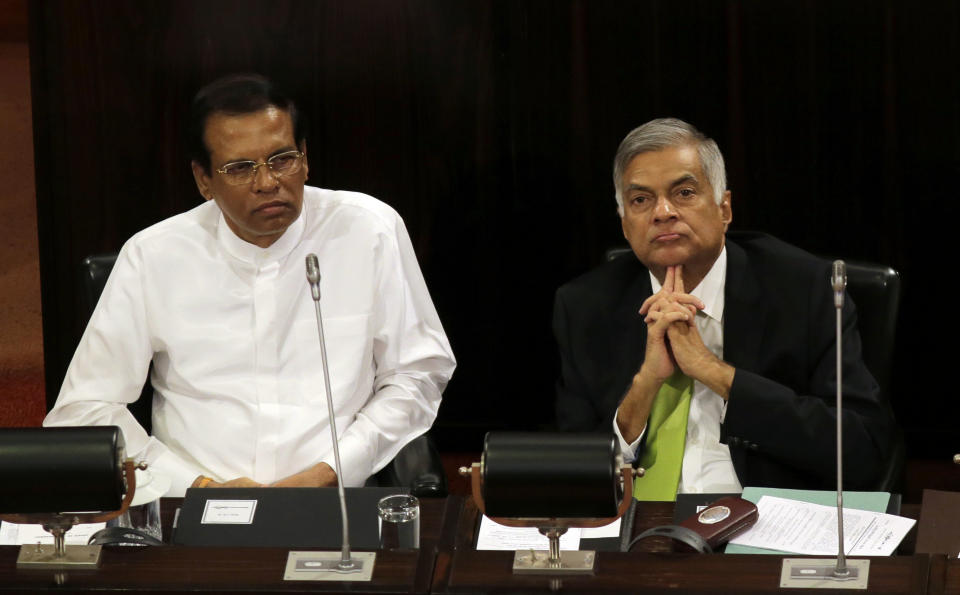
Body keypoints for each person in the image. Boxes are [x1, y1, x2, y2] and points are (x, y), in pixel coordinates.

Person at [45, 74, 456, 496]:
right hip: (193, 504)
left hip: (337, 500)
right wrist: (193, 485)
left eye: (282, 159)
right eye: (240, 168)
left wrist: (332, 470)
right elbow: (84, 410)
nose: (266, 182)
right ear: (203, 180)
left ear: (306, 158)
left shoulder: (370, 230)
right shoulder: (154, 256)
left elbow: (417, 372)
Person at [553, 118, 891, 496]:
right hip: (639, 529)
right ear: (625, 224)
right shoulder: (585, 307)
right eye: (641, 200)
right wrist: (646, 384)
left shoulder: (805, 290)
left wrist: (716, 373)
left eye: (683, 192)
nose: (662, 212)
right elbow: (572, 472)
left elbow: (864, 450)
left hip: (762, 525)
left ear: (724, 208)